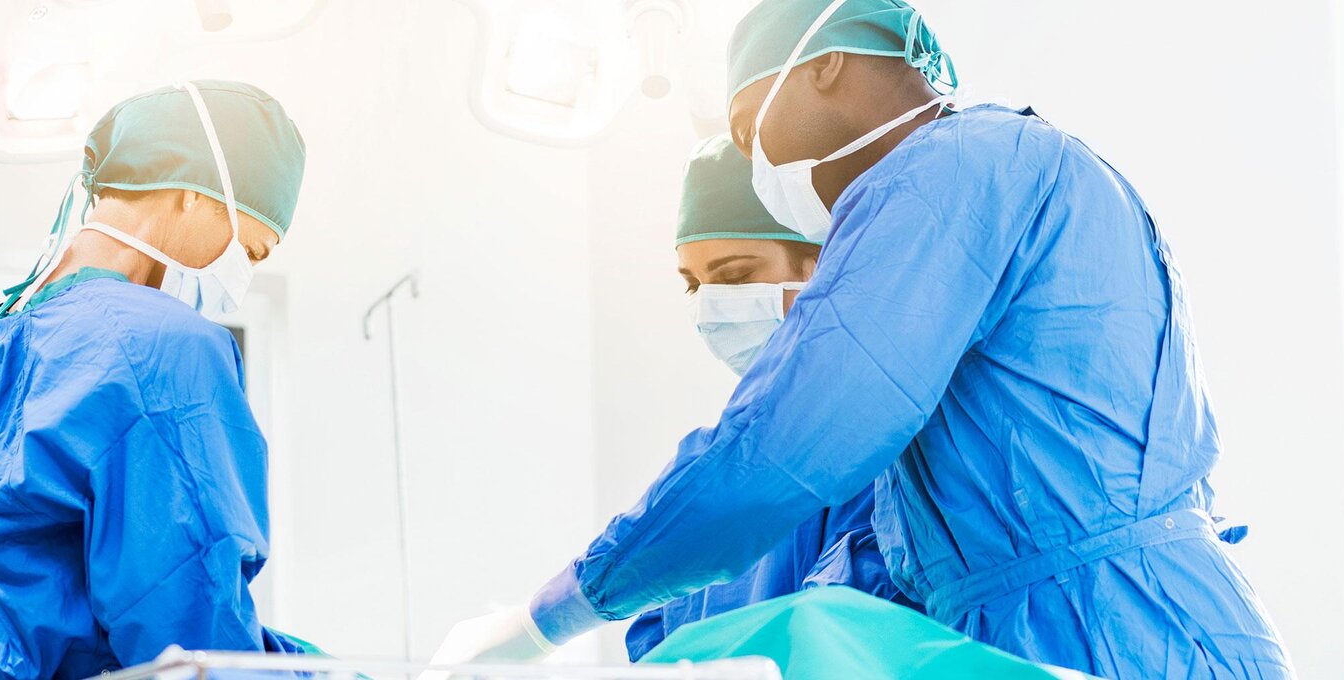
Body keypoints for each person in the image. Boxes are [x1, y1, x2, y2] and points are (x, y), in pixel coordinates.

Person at [431, 1, 1294, 677]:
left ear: (827, 66)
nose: (761, 169)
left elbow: (782, 449)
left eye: (748, 131)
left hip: (1115, 634)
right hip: (1133, 627)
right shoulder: (1029, 172)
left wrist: (550, 616)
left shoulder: (948, 169)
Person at [0, 80, 311, 680]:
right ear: (192, 194)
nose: (241, 276)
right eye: (250, 250)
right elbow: (190, 633)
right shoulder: (160, 347)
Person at [622, 135, 916, 662]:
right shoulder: (717, 471)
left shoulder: (889, 447)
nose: (711, 304)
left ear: (823, 266)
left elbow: (853, 629)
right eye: (693, 285)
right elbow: (654, 634)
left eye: (735, 275)